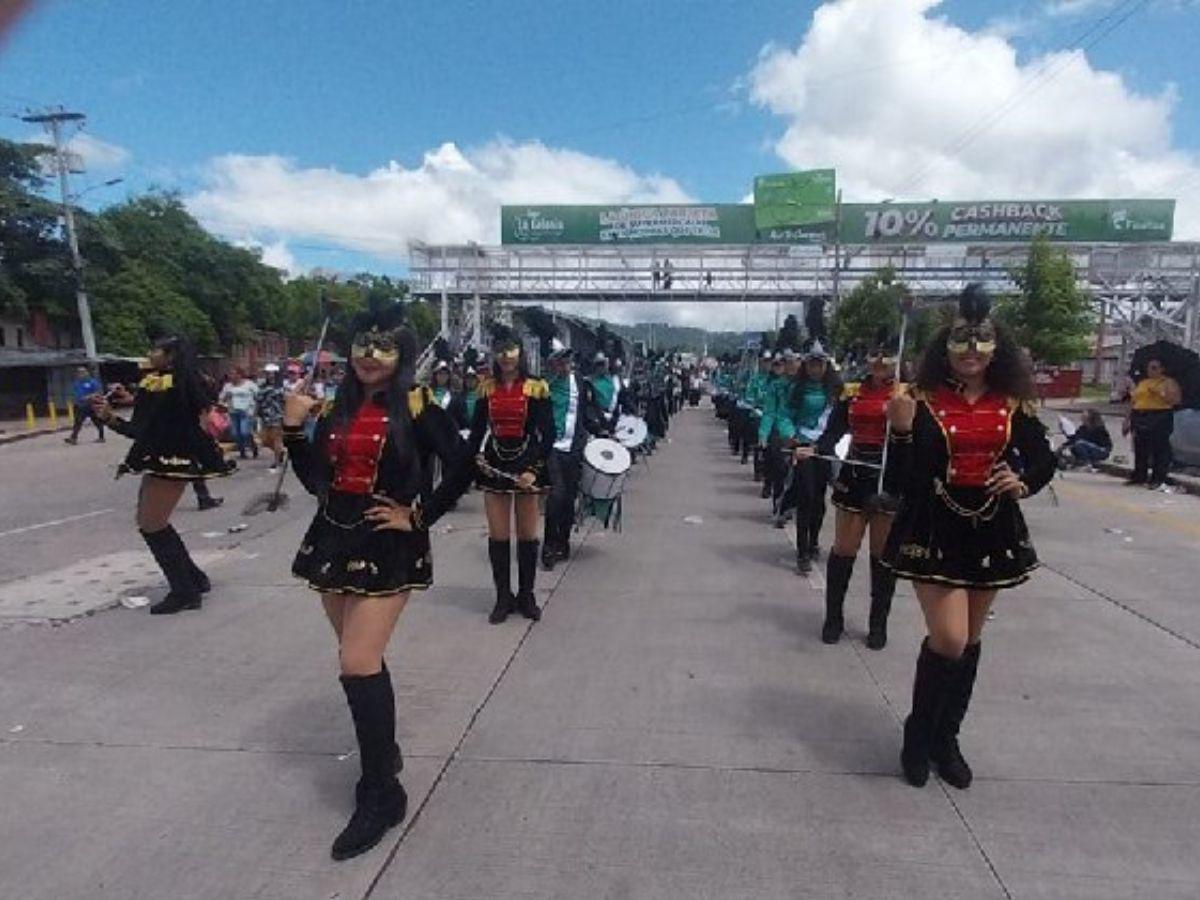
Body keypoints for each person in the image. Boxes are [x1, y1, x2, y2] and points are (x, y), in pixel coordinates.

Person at [283, 303, 470, 861]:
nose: (369, 355)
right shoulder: (337, 406)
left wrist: (418, 515)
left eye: (383, 346)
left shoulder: (417, 404)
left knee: (356, 660)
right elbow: (317, 479)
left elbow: (462, 464)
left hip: (387, 545)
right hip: (332, 538)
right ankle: (383, 754)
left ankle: (381, 794)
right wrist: (293, 429)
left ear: (402, 355)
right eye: (362, 344)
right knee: (357, 656)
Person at [882, 285, 1056, 790]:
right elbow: (901, 483)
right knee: (950, 638)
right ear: (945, 346)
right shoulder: (920, 400)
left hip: (992, 527)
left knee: (971, 641)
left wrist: (1023, 481)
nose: (973, 352)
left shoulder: (1012, 404)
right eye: (963, 341)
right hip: (934, 524)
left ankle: (946, 739)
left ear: (998, 348)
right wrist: (900, 432)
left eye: (983, 341)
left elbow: (1044, 457)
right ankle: (917, 737)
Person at [90, 333, 235, 615]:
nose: (150, 353)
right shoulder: (184, 381)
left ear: (170, 355)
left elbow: (141, 430)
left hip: (164, 462)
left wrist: (109, 417)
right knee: (154, 523)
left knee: (151, 524)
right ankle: (193, 579)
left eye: (156, 349)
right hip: (176, 460)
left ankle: (185, 591)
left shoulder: (159, 383)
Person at [800, 332, 901, 648]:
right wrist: (815, 449)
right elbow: (833, 432)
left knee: (882, 556)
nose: (881, 362)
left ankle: (878, 624)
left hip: (890, 479)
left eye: (887, 355)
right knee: (843, 551)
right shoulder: (852, 392)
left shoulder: (909, 394)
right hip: (855, 474)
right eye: (874, 354)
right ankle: (833, 618)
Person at [469, 327, 554, 624]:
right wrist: (474, 457)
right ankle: (503, 597)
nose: (505, 357)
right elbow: (477, 431)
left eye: (511, 350)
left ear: (521, 353)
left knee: (528, 535)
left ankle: (527, 595)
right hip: (495, 463)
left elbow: (549, 434)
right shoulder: (486, 388)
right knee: (499, 535)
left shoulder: (536, 387)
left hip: (528, 461)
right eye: (500, 350)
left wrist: (534, 470)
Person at [542, 341, 605, 570]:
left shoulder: (580, 383)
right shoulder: (543, 385)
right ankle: (548, 545)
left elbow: (586, 413)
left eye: (567, 359)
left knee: (569, 499)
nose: (564, 364)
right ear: (552, 363)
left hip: (574, 448)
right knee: (556, 495)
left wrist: (602, 429)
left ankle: (563, 542)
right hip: (552, 448)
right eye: (559, 360)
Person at [788, 341, 839, 574]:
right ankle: (802, 551)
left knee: (819, 498)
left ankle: (814, 539)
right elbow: (785, 415)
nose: (815, 369)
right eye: (811, 364)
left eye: (819, 365)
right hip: (803, 445)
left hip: (825, 447)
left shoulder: (836, 390)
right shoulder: (797, 389)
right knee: (805, 497)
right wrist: (791, 435)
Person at [1123, 357, 1181, 490]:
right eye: (1149, 368)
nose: (1151, 371)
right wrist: (1127, 420)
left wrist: (1160, 393)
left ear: (1162, 369)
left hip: (1159, 415)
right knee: (1140, 446)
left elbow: (1175, 400)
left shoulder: (1167, 382)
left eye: (1155, 368)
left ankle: (1158, 477)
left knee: (1159, 448)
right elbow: (1133, 401)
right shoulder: (1143, 383)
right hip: (1140, 414)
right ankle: (1139, 475)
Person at [220, 367, 258, 460]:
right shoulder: (227, 386)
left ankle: (252, 444)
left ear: (239, 375)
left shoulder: (249, 384)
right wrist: (225, 397)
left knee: (244, 432)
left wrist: (256, 409)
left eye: (233, 374)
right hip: (233, 412)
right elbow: (221, 398)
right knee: (235, 434)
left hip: (247, 412)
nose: (231, 376)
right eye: (230, 374)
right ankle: (242, 452)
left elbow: (258, 395)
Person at [65, 365, 106, 444]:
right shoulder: (77, 383)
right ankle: (73, 438)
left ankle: (101, 437)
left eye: (83, 372)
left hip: (90, 405)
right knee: (78, 422)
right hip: (80, 405)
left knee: (97, 421)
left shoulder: (92, 382)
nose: (81, 374)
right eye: (79, 372)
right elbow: (75, 393)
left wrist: (90, 396)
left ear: (87, 373)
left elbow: (98, 392)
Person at [256, 364, 286, 472]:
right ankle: (280, 452)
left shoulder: (281, 387)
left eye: (272, 373)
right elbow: (258, 400)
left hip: (277, 417)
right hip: (265, 417)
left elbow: (285, 401)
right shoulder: (262, 386)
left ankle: (277, 461)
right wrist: (257, 411)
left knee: (276, 439)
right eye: (268, 373)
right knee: (265, 440)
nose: (270, 375)